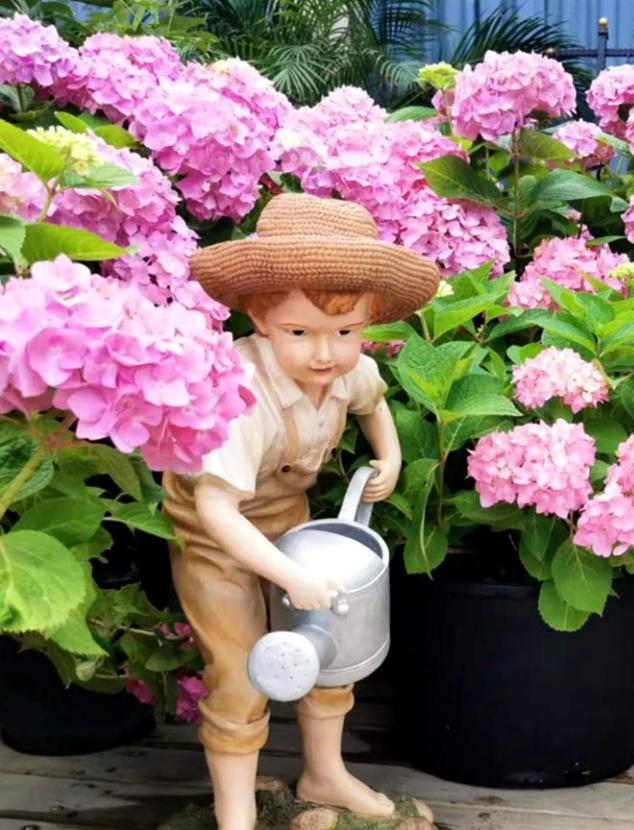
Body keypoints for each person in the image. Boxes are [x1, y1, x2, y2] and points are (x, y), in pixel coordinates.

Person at [162, 193, 438, 830]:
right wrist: (289, 577)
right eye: (300, 332)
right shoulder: (240, 395)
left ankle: (324, 773)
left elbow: (372, 402)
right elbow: (216, 508)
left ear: (367, 323)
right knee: (240, 669)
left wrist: (390, 456)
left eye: (345, 332)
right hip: (214, 540)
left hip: (291, 520)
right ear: (261, 318)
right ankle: (235, 813)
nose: (324, 353)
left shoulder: (345, 371)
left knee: (332, 642)